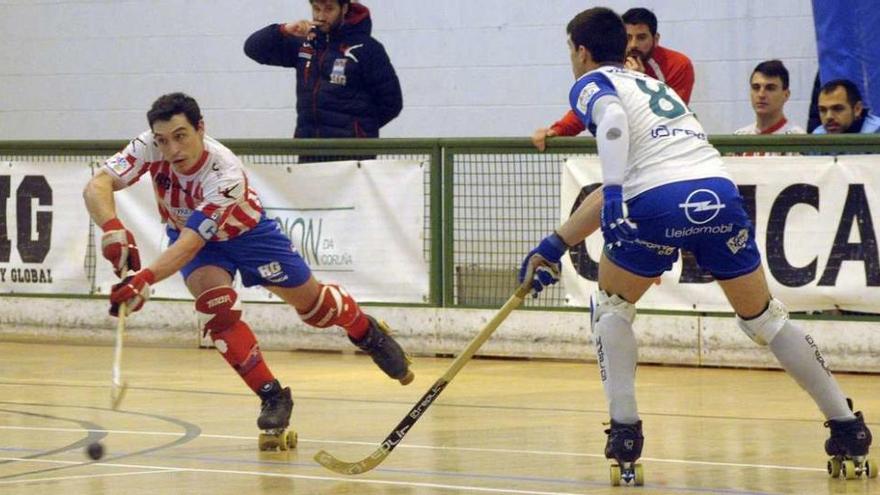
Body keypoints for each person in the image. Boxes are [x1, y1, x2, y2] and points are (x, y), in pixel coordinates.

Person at [518, 8, 873, 485]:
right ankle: (847, 427)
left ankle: (625, 434)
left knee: (612, 307)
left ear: (581, 52)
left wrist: (620, 194)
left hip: (656, 203)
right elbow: (623, 174)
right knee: (765, 318)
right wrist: (554, 243)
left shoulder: (592, 83)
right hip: (718, 194)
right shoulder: (655, 86)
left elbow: (614, 124)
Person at [83, 93, 414, 448]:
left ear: (200, 128)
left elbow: (190, 244)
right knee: (217, 308)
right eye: (163, 140)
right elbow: (97, 185)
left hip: (249, 235)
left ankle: (366, 331)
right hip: (198, 243)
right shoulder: (149, 145)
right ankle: (272, 395)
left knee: (316, 309)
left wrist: (143, 280)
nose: (172, 149)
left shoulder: (224, 173)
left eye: (181, 136)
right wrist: (113, 229)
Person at [244, 0, 402, 162]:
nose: (321, 16)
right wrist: (284, 29)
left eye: (329, 9)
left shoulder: (367, 48)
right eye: (316, 9)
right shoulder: (307, 43)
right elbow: (252, 48)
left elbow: (392, 103)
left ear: (344, 8)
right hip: (309, 149)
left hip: (353, 156)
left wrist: (358, 131)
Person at [532, 7, 694, 151]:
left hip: (666, 146)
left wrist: (637, 79)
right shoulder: (613, 61)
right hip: (630, 151)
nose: (633, 45)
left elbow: (670, 115)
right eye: (628, 38)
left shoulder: (678, 64)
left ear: (656, 39)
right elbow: (593, 102)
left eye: (641, 37)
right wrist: (558, 130)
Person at [734, 60, 805, 135]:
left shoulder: (798, 139)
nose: (761, 95)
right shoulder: (739, 137)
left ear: (786, 95)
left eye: (770, 88)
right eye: (756, 87)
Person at [813, 79, 880, 134]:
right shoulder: (818, 135)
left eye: (837, 109)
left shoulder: (877, 131)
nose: (829, 116)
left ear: (857, 109)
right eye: (823, 110)